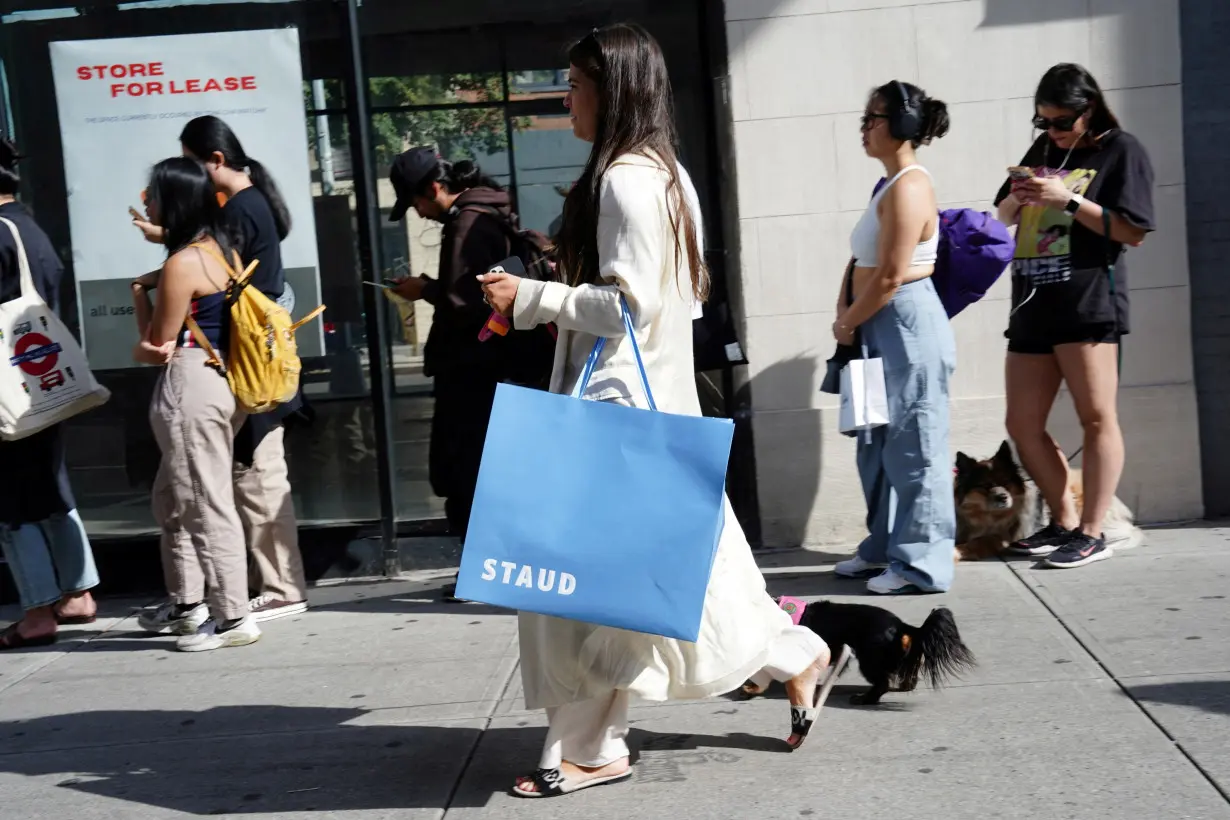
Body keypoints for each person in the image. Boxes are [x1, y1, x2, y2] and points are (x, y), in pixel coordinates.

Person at [477, 23, 831, 798]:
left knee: (591, 591)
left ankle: (593, 745)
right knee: (677, 580)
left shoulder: (624, 182)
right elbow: (679, 301)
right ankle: (792, 654)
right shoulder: (664, 174)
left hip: (618, 415)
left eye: (573, 84)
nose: (564, 96)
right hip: (647, 411)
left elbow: (629, 308)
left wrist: (530, 297)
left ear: (613, 90)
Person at [133, 116, 309, 623]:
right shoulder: (250, 207)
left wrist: (161, 251)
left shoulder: (236, 216)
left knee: (249, 480)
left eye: (193, 163)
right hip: (244, 365)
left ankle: (264, 594)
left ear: (214, 159)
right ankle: (229, 597)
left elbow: (161, 337)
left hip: (237, 365)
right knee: (215, 485)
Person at [994, 64, 1154, 568]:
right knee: (1021, 423)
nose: (1053, 131)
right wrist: (1013, 200)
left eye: (1062, 121)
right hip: (1033, 301)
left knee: (1096, 416)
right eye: (1043, 122)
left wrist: (1070, 200)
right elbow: (1000, 214)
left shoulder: (1122, 151)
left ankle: (1092, 529)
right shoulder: (1044, 151)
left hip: (1088, 301)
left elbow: (1132, 231)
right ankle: (1062, 520)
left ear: (1089, 111)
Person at [386, 149, 549, 603]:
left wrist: (425, 290)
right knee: (481, 470)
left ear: (433, 189)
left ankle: (485, 572)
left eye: (415, 202)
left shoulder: (465, 223)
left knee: (465, 472)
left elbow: (467, 302)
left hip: (471, 371)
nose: (417, 212)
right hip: (493, 367)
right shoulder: (491, 210)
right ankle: (494, 570)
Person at [830, 80, 957, 595]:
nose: (865, 128)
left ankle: (921, 566)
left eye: (874, 119)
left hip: (902, 324)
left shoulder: (910, 185)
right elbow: (865, 262)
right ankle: (883, 547)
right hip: (873, 324)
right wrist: (848, 313)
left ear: (903, 126)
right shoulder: (888, 185)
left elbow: (890, 274)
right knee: (876, 442)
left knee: (915, 444)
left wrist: (847, 319)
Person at [130, 156, 259, 651]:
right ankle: (189, 605)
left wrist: (140, 294)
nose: (149, 203)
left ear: (172, 202)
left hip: (188, 384)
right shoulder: (219, 250)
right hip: (222, 381)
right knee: (175, 498)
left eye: (154, 196)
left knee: (203, 501)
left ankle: (232, 617)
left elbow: (154, 345)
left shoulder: (180, 265)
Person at [0, 139, 99, 649]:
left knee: (12, 502)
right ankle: (78, 591)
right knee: (48, 486)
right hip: (39, 381)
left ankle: (37, 610)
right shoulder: (27, 228)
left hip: (7, 389)